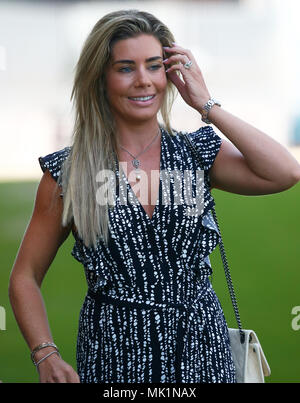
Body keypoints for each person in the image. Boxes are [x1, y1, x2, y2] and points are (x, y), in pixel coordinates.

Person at [9, 9, 300, 384]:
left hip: (202, 352)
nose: (143, 80)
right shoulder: (70, 172)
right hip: (113, 357)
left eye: (154, 65)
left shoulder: (197, 152)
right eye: (126, 67)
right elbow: (25, 275)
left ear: (171, 72)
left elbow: (285, 172)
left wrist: (206, 105)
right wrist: (45, 354)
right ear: (100, 78)